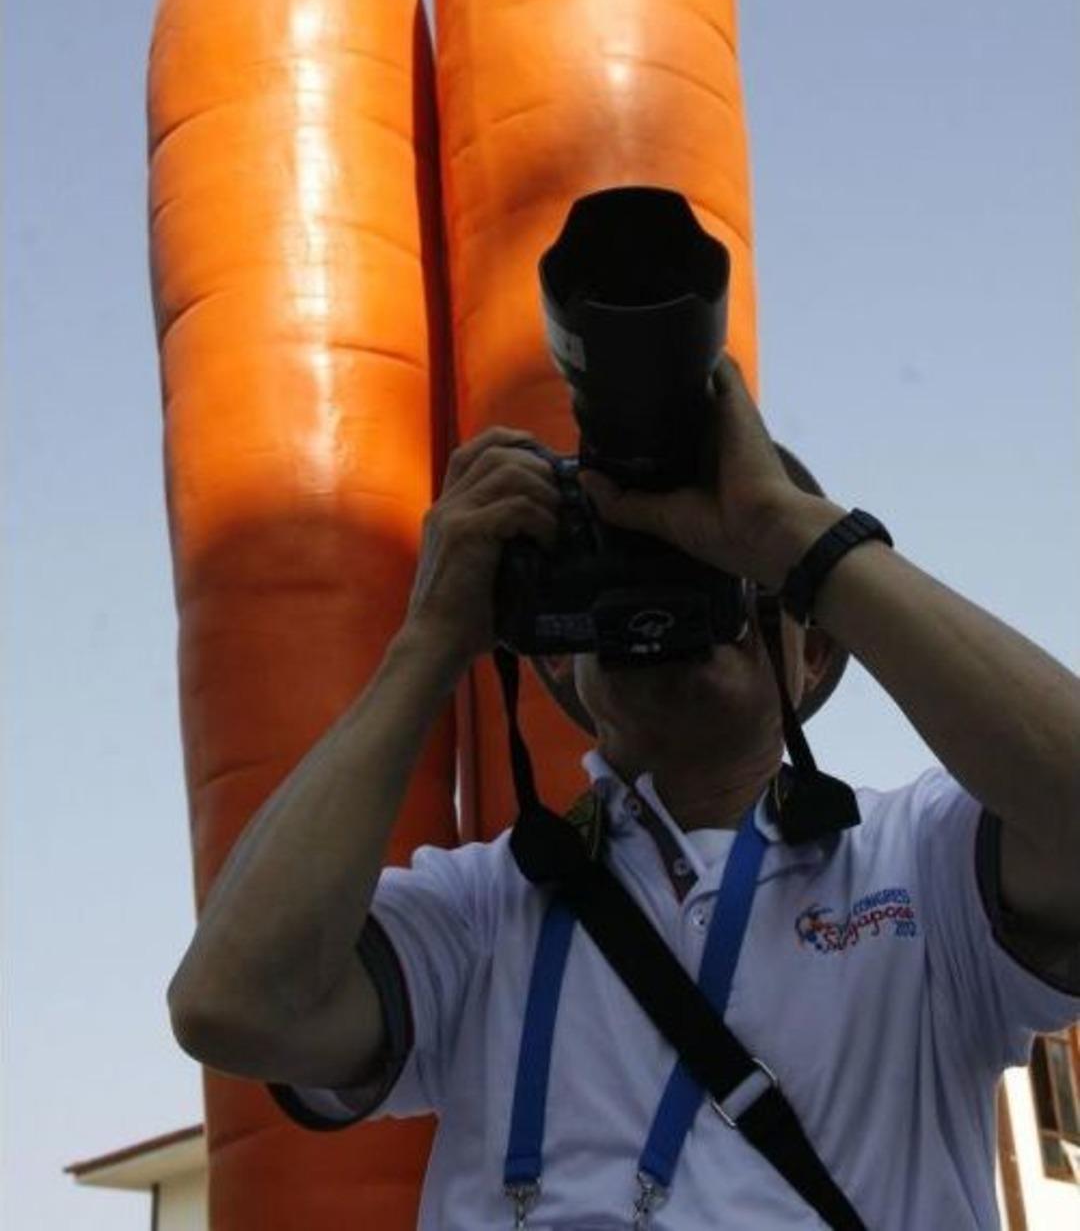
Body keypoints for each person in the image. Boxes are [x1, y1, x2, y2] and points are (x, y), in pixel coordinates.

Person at [167, 356, 1080, 1230]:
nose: (674, 586)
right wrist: (432, 638)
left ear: (816, 652)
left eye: (725, 572)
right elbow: (235, 1006)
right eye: (630, 563)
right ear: (558, 656)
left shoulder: (918, 863)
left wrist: (789, 532)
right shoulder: (481, 913)